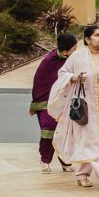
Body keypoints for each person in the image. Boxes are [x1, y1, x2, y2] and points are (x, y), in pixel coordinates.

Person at [47, 26, 99, 190]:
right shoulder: (78, 56)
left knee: (92, 141)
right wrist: (74, 77)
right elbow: (63, 73)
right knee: (92, 141)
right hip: (86, 106)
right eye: (97, 35)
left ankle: (81, 175)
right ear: (87, 39)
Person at [29, 33, 77, 173]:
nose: (76, 51)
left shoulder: (72, 59)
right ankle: (45, 160)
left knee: (65, 132)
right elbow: (41, 82)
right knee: (49, 130)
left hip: (66, 99)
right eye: (74, 48)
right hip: (46, 101)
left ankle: (65, 161)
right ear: (65, 51)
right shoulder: (50, 61)